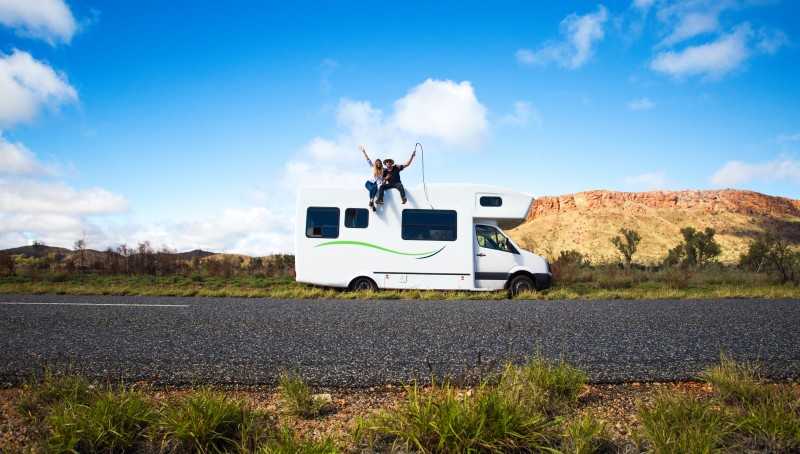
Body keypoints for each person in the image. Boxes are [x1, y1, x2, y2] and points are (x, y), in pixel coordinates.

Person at [360, 145, 383, 212]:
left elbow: (388, 170)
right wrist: (364, 152)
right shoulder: (373, 167)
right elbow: (368, 160)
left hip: (375, 184)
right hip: (368, 183)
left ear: (381, 163)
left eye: (379, 163)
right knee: (372, 189)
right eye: (377, 163)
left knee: (375, 187)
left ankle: (371, 202)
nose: (378, 164)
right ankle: (372, 204)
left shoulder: (383, 170)